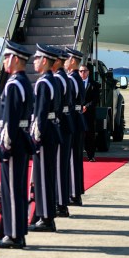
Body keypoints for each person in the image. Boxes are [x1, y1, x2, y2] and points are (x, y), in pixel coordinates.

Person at [0, 41, 34, 249]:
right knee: (17, 189)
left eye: (7, 57)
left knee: (11, 190)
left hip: (14, 141)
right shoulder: (24, 82)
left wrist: (4, 146)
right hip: (22, 139)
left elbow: (10, 120)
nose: (4, 61)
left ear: (16, 59)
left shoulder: (13, 84)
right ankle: (18, 231)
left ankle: (13, 234)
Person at [29, 45, 60, 233]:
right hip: (52, 130)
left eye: (37, 58)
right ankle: (47, 216)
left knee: (42, 177)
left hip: (45, 133)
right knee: (47, 176)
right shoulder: (53, 81)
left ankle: (45, 218)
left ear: (44, 61)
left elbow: (40, 114)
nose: (34, 61)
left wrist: (36, 137)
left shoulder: (43, 83)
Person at [49, 47, 73, 218]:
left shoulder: (58, 79)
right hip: (66, 122)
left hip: (60, 124)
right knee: (61, 166)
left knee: (58, 166)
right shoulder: (65, 78)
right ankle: (62, 202)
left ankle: (60, 203)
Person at [64, 48, 87, 205]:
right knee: (76, 158)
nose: (65, 61)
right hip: (78, 119)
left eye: (67, 59)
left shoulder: (71, 79)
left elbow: (69, 103)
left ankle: (73, 193)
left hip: (72, 119)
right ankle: (76, 191)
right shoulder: (76, 78)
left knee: (72, 158)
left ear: (72, 61)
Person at [79, 62, 98, 161]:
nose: (82, 73)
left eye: (84, 71)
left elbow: (95, 100)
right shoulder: (75, 83)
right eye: (81, 71)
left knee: (90, 135)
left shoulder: (93, 84)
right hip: (78, 113)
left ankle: (91, 156)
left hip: (89, 113)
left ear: (88, 72)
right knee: (79, 135)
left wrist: (86, 106)